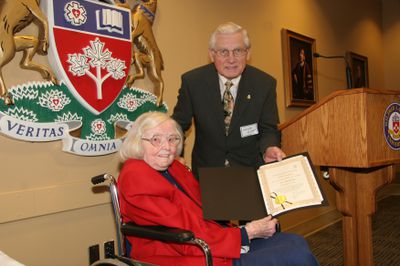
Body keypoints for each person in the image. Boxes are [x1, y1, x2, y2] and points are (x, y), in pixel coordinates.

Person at [118, 111, 319, 266]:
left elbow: (205, 205)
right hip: (184, 253)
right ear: (138, 142)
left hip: (210, 239)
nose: (167, 147)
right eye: (156, 139)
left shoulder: (174, 167)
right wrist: (246, 233)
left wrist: (258, 205)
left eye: (172, 139)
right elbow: (183, 229)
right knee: (294, 254)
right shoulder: (137, 177)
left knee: (296, 242)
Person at [172, 22, 285, 178]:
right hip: (207, 172)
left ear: (248, 53)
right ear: (212, 54)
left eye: (238, 51)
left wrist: (269, 147)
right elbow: (178, 124)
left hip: (250, 171)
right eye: (223, 52)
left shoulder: (264, 84)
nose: (231, 59)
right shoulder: (193, 82)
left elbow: (269, 128)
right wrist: (174, 153)